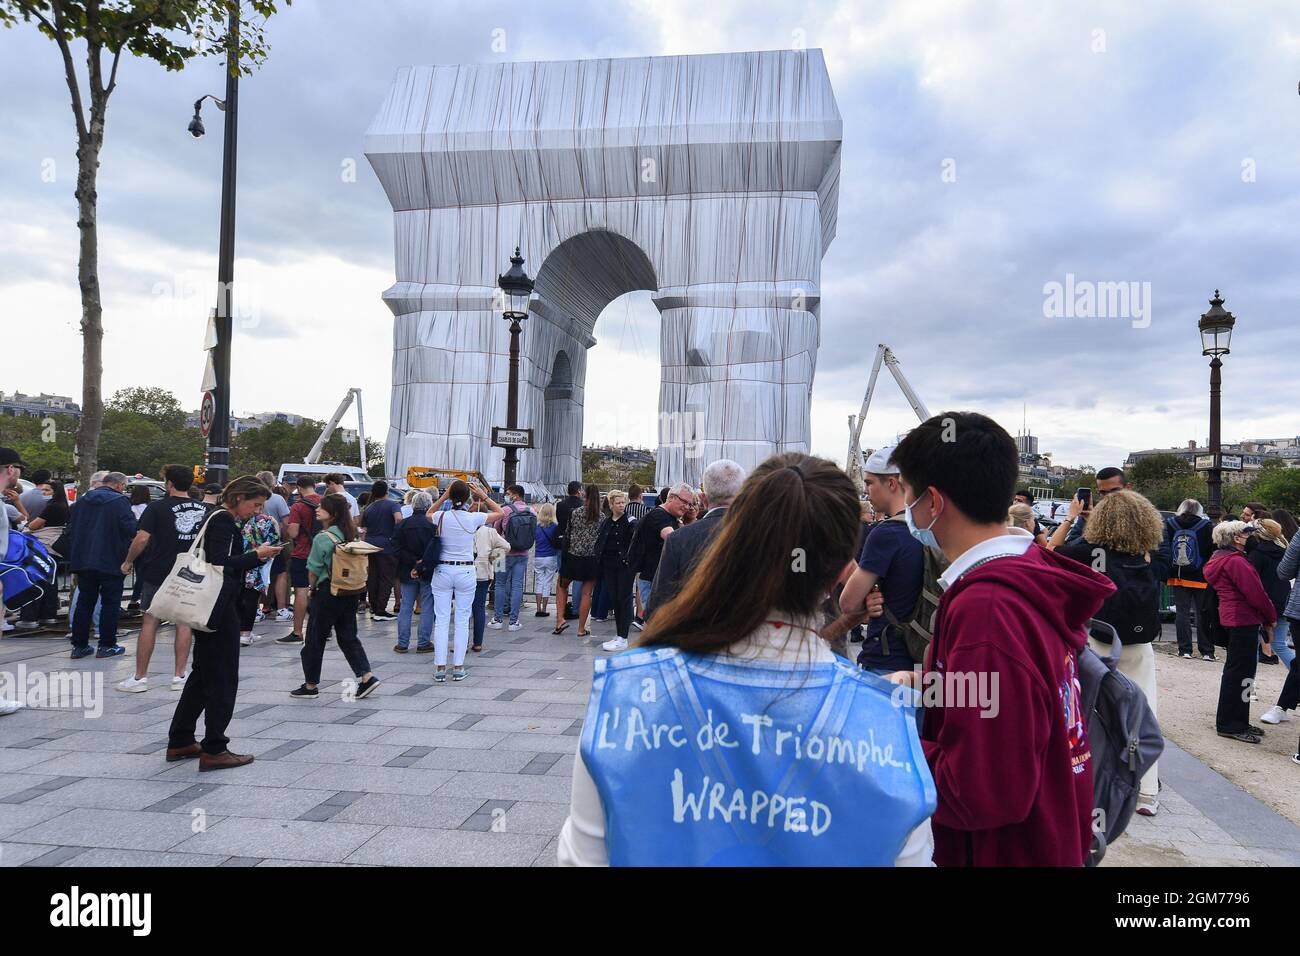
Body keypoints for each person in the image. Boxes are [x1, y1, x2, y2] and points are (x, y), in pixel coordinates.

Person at [556, 452, 936, 866]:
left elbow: (584, 858)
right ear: (838, 573)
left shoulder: (626, 700)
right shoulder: (884, 722)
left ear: (736, 545)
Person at [889, 411, 1111, 866]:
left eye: (906, 495)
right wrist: (931, 684)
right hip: (1048, 835)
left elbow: (980, 791)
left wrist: (884, 744)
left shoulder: (987, 610)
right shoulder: (1027, 574)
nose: (903, 509)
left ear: (932, 501)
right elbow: (1020, 695)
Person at [1050, 489, 1165, 816]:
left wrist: (1072, 517)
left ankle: (1089, 780)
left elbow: (1051, 551)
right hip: (1140, 644)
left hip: (1097, 640)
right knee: (1143, 712)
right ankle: (1145, 792)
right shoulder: (1146, 555)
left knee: (1088, 714)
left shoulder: (1088, 552)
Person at [167, 477, 281, 771]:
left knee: (203, 674)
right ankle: (215, 747)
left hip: (208, 606)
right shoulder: (222, 521)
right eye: (254, 504)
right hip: (218, 606)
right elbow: (220, 564)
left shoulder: (214, 517)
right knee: (223, 677)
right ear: (239, 497)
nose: (256, 511)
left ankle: (180, 739)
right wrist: (256, 555)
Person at [115, 465, 207, 691]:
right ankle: (179, 675)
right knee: (183, 623)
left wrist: (128, 561)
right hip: (189, 572)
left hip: (158, 569)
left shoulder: (157, 508)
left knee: (150, 621)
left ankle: (140, 677)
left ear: (170, 484)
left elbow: (142, 538)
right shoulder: (204, 509)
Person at [837, 447, 926, 678]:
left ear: (892, 484)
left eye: (870, 483)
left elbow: (847, 603)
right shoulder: (930, 528)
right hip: (925, 658)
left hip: (887, 656)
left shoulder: (886, 534)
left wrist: (866, 601)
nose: (867, 492)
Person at [290, 493, 379, 700]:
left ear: (333, 513)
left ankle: (310, 685)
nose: (317, 509)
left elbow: (313, 569)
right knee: (348, 636)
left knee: (314, 639)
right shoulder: (352, 535)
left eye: (322, 507)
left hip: (328, 592)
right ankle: (367, 676)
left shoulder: (323, 537)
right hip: (350, 591)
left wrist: (311, 589)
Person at [644, 460, 746, 621]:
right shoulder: (763, 538)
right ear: (743, 496)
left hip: (691, 636)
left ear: (703, 499)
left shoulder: (678, 539)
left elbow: (656, 608)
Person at [420, 480, 501, 680]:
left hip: (443, 570)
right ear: (466, 498)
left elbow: (428, 513)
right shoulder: (473, 518)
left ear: (451, 495)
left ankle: (440, 667)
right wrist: (483, 496)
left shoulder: (441, 516)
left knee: (442, 619)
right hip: (465, 570)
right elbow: (500, 513)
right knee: (463, 619)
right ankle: (458, 666)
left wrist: (444, 496)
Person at [1204, 520, 1276, 744]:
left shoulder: (1220, 559)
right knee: (1241, 674)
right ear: (1236, 538)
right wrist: (1270, 618)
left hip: (1233, 617)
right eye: (1246, 533)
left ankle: (1238, 720)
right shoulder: (1236, 562)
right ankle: (1232, 723)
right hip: (1243, 619)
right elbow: (1256, 594)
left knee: (1238, 672)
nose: (1250, 537)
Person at [65, 471, 137, 659]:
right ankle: (106, 644)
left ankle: (79, 645)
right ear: (119, 485)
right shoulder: (120, 502)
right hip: (112, 559)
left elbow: (71, 529)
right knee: (110, 603)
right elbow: (130, 529)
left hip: (84, 559)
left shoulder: (81, 502)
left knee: (84, 602)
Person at [625, 482, 690, 630]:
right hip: (653, 579)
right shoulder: (659, 515)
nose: (687, 507)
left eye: (689, 504)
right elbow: (673, 540)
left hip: (658, 579)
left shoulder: (669, 517)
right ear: (671, 497)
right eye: (684, 502)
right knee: (658, 626)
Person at [1161, 498, 1216, 661]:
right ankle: (1207, 651)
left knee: (1182, 613)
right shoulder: (1205, 525)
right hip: (1200, 575)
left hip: (1178, 574)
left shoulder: (1170, 523)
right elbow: (1209, 550)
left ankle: (1184, 649)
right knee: (1202, 613)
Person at [16, 478, 70, 629]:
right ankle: (48, 614)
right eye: (42, 490)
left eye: (47, 490)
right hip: (54, 547)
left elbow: (33, 525)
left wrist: (29, 525)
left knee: (35, 579)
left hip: (45, 545)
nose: (43, 493)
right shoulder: (63, 506)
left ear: (55, 492)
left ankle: (30, 617)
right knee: (50, 582)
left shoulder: (52, 507)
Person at [278, 476, 321, 645]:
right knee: (321, 591)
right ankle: (322, 629)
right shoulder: (326, 502)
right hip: (323, 553)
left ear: (299, 487)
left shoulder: (298, 506)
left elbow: (294, 533)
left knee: (301, 591)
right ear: (315, 486)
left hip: (303, 553)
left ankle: (297, 632)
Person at [593, 489, 637, 651]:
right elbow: (600, 540)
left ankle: (623, 637)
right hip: (609, 565)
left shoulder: (630, 521)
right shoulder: (607, 521)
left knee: (623, 600)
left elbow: (635, 541)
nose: (621, 505)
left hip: (624, 566)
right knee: (615, 599)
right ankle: (620, 635)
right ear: (611, 505)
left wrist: (629, 559)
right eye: (618, 503)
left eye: (623, 502)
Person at [392, 491, 436, 653]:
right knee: (427, 606)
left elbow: (396, 548)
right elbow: (434, 550)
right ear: (429, 505)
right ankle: (423, 642)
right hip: (427, 571)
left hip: (406, 569)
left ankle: (402, 643)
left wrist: (412, 562)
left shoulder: (402, 525)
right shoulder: (432, 527)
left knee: (406, 606)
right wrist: (421, 563)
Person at [556, 484, 602, 638]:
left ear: (585, 496)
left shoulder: (575, 513)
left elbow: (568, 533)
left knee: (562, 586)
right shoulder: (602, 517)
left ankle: (560, 619)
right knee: (586, 594)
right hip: (591, 559)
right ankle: (581, 628)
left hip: (572, 556)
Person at [490, 484, 534, 631]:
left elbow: (496, 531)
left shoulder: (505, 510)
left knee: (499, 584)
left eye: (508, 493)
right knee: (517, 586)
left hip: (501, 552)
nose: (506, 496)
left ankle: (498, 619)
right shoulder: (531, 511)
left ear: (515, 495)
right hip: (522, 553)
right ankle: (514, 622)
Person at [236, 499, 280, 647]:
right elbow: (274, 540)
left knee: (238, 598)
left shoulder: (235, 518)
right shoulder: (265, 520)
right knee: (251, 598)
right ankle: (245, 633)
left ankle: (239, 630)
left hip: (236, 563)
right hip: (256, 562)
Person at [1249, 519, 1291, 668]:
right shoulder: (1284, 551)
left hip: (1262, 601)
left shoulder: (1256, 554)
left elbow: (1251, 581)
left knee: (1251, 644)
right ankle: (1297, 674)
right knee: (1279, 644)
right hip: (1284, 600)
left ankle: (1248, 685)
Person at [359, 479, 402, 621]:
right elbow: (399, 520)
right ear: (387, 491)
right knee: (386, 578)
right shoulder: (393, 504)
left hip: (370, 546)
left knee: (372, 578)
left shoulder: (368, 508)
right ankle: (381, 610)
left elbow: (363, 530)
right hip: (386, 546)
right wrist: (396, 537)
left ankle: (373, 607)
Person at [472, 514, 512, 652]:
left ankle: (462, 643)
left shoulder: (461, 528)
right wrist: (493, 559)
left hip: (463, 571)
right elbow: (506, 546)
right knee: (479, 608)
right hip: (483, 572)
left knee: (462, 610)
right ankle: (478, 643)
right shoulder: (489, 532)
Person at [256, 471, 292, 623]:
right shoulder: (277, 499)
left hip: (255, 541)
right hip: (274, 541)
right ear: (272, 484)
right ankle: (282, 609)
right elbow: (286, 523)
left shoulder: (253, 497)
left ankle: (255, 610)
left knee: (256, 574)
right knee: (280, 574)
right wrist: (285, 539)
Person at [1063, 466, 1128, 543]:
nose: (1109, 496)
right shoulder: (1090, 515)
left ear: (1127, 488)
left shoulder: (1139, 516)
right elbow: (1070, 546)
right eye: (1103, 492)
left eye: (1114, 491)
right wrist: (1092, 523)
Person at [553, 480, 585, 625]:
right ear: (579, 491)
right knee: (579, 578)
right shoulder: (583, 506)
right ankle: (576, 607)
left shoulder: (560, 505)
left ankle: (561, 608)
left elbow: (560, 522)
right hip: (578, 545)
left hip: (562, 543)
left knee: (563, 576)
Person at [533, 502, 561, 618]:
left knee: (539, 582)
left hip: (538, 556)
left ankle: (538, 608)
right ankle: (544, 609)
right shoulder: (555, 527)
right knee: (547, 582)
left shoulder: (537, 527)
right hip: (551, 556)